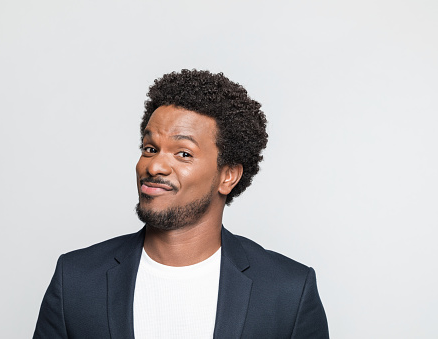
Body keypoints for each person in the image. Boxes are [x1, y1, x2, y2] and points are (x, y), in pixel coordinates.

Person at [33, 69, 329, 338]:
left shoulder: (288, 291)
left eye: (183, 153)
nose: (155, 166)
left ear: (228, 176)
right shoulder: (76, 279)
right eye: (150, 148)